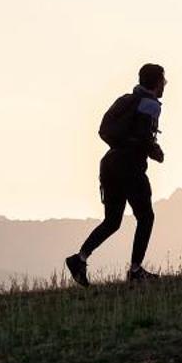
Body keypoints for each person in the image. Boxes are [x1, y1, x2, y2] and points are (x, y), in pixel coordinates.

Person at [67, 62, 166, 285]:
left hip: (110, 164)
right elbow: (143, 134)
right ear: (157, 82)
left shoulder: (125, 100)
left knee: (112, 221)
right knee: (146, 217)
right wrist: (154, 150)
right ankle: (135, 270)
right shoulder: (150, 104)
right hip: (130, 166)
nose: (165, 84)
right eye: (163, 80)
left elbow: (108, 130)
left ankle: (80, 258)